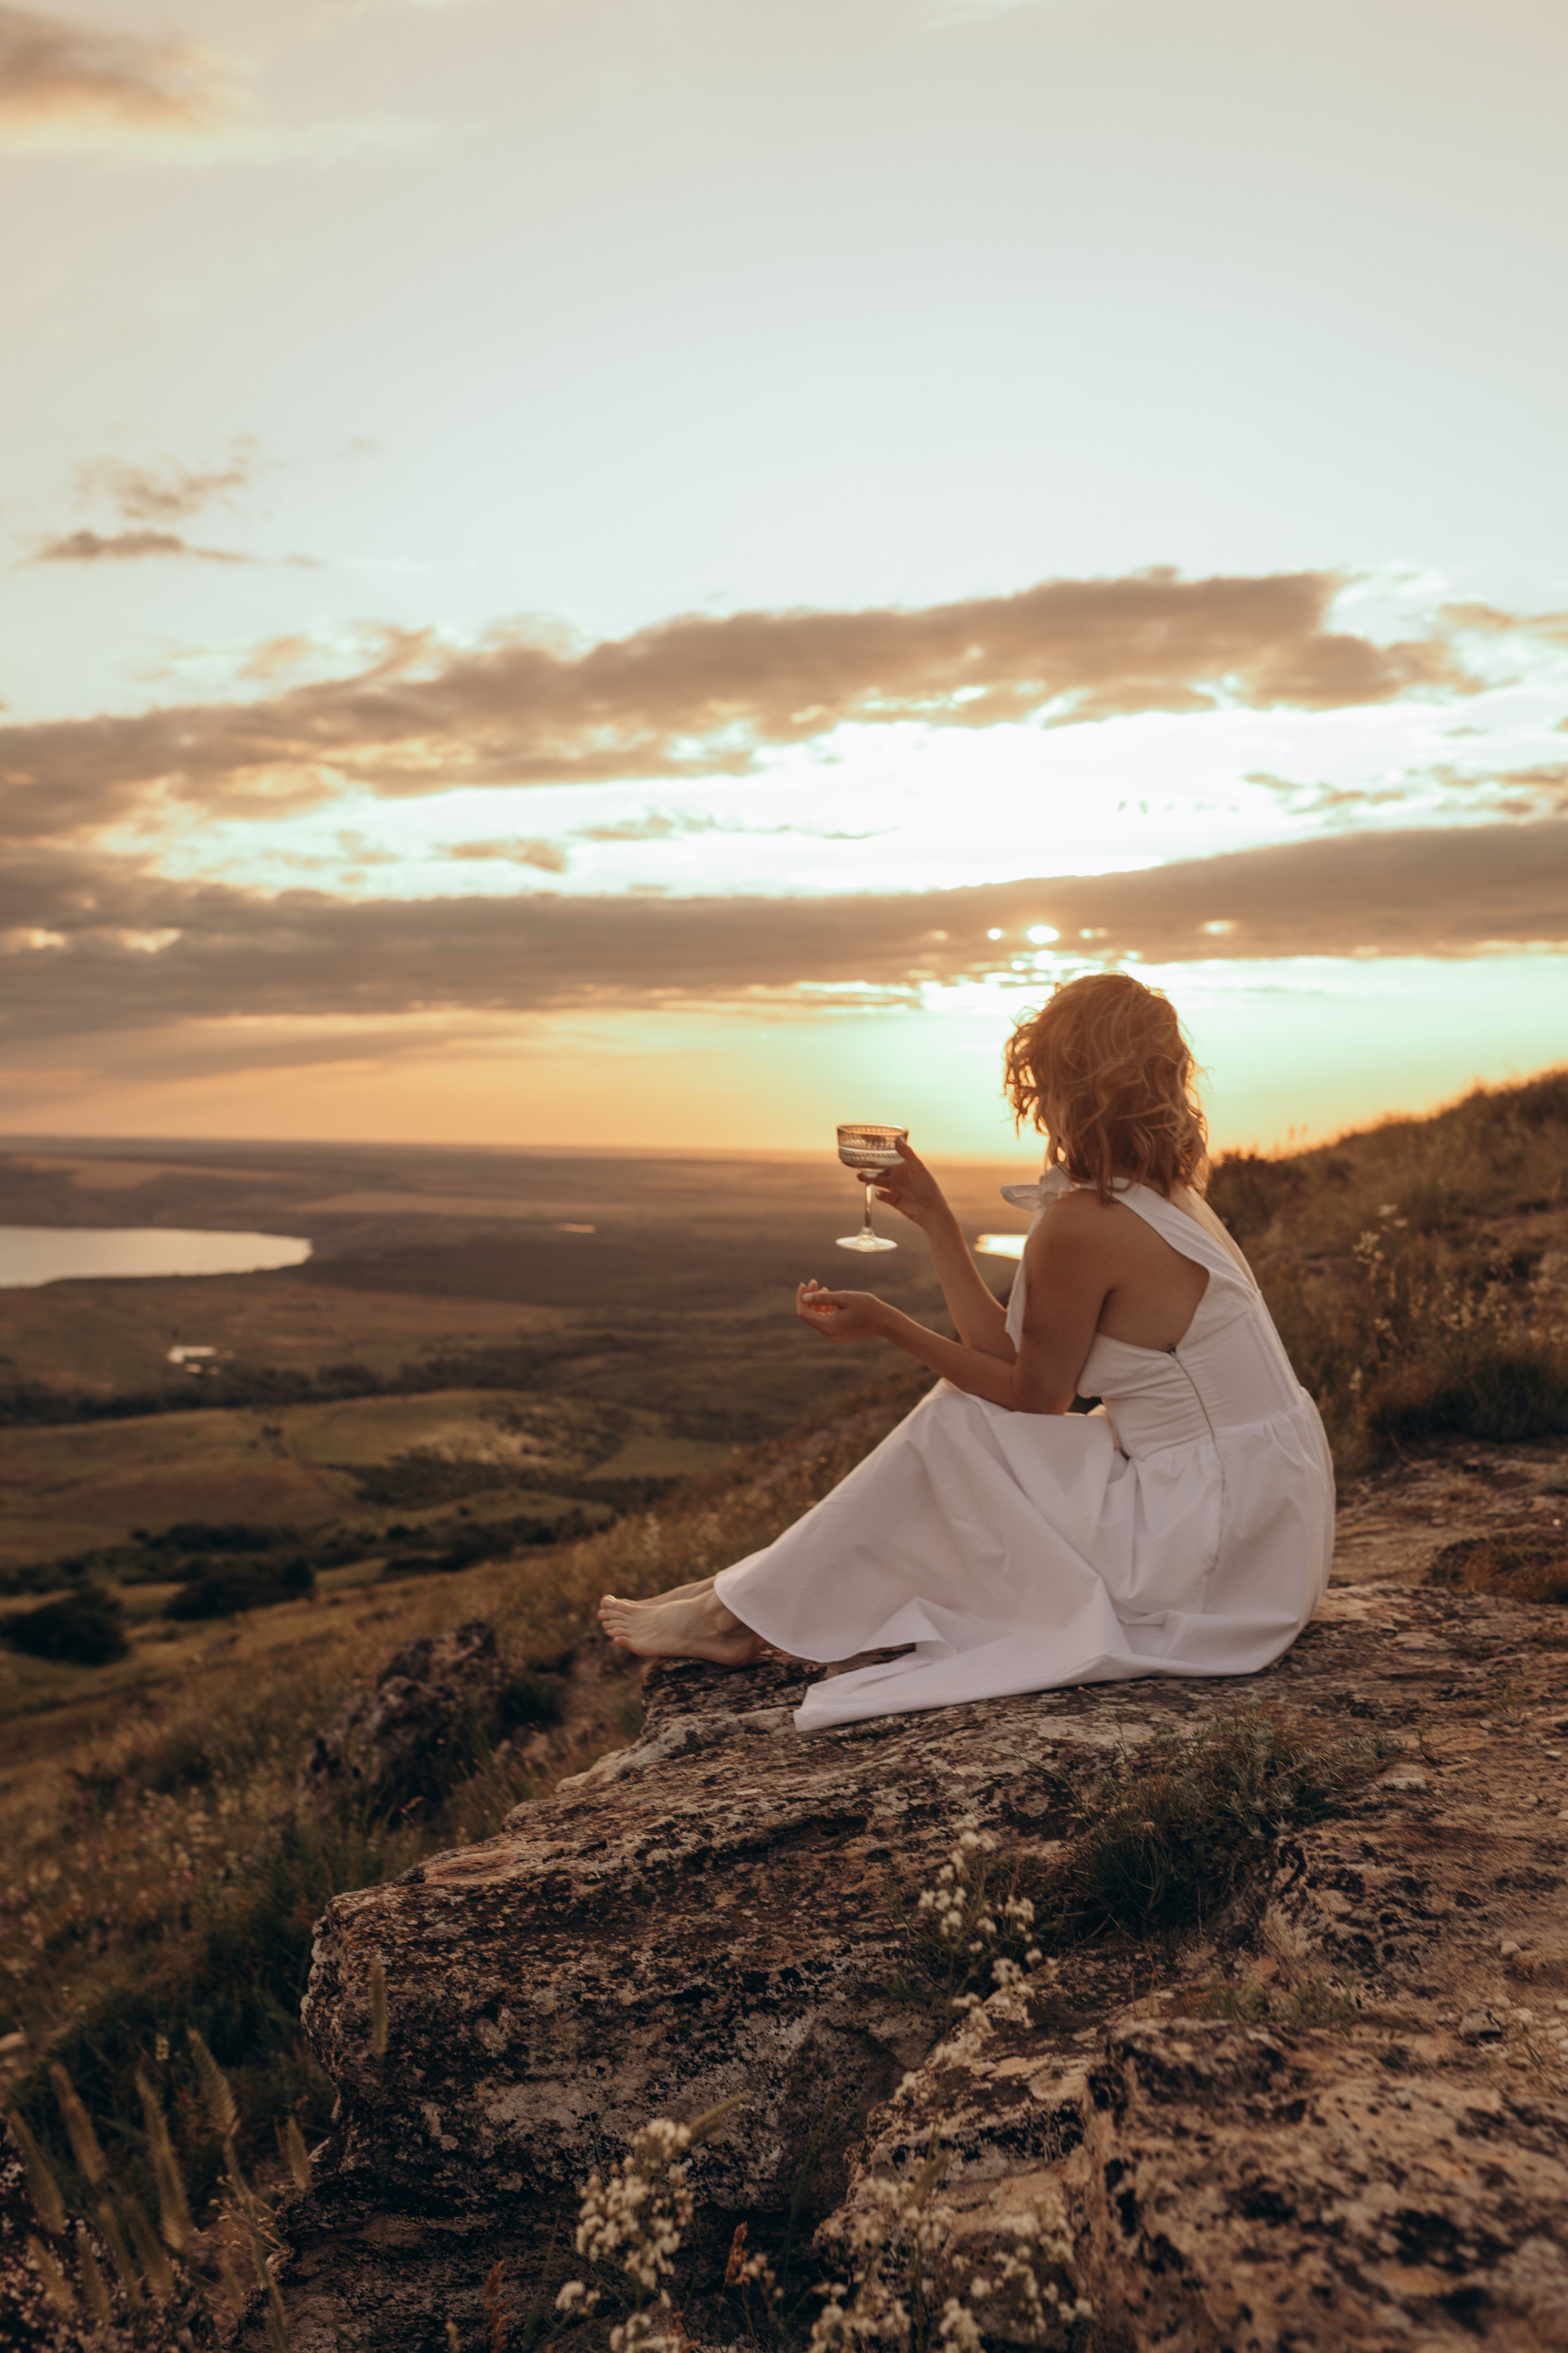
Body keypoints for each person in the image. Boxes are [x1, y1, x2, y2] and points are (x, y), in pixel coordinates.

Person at [599, 971, 1335, 1730]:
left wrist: (891, 1325)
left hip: (1207, 1548)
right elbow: (1017, 1357)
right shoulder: (1167, 1197)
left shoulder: (1085, 1221)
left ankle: (728, 1617)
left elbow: (1033, 1398)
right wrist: (937, 1221)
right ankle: (736, 1599)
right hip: (1266, 1525)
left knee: (955, 1419)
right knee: (963, 1415)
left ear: (1068, 1085)